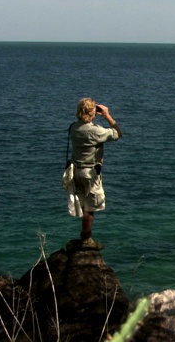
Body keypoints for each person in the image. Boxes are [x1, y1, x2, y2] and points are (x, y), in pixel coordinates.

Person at [70, 97, 123, 250]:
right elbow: (118, 133)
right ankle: (86, 239)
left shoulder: (73, 127)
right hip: (90, 173)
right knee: (90, 208)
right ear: (92, 113)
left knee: (84, 205)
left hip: (76, 170)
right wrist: (107, 115)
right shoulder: (94, 131)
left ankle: (85, 237)